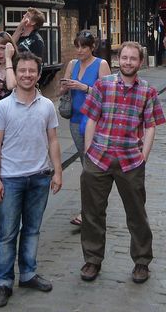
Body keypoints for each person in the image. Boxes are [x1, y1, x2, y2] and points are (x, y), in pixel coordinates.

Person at [79, 41, 166, 284]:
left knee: (137, 214)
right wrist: (88, 152)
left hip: (130, 160)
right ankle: (92, 260)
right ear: (119, 59)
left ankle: (141, 261)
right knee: (92, 213)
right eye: (124, 57)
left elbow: (150, 127)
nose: (128, 62)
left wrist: (143, 157)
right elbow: (92, 119)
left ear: (140, 62)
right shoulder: (103, 85)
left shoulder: (147, 91)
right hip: (99, 158)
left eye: (133, 58)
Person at [0, 52, 62, 308]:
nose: (27, 75)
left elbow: (53, 140)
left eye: (32, 71)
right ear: (16, 73)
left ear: (38, 74)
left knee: (32, 230)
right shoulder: (2, 108)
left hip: (40, 177)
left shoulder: (47, 106)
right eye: (23, 71)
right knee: (8, 234)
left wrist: (58, 172)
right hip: (11, 179)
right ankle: (4, 282)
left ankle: (28, 274)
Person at [59, 30, 110, 225]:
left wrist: (85, 88)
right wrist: (65, 86)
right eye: (77, 46)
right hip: (75, 120)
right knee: (86, 164)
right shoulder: (72, 64)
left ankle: (88, 211)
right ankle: (93, 207)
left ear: (92, 47)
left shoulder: (101, 64)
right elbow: (61, 89)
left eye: (84, 47)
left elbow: (106, 94)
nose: (79, 51)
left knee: (90, 167)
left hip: (93, 121)